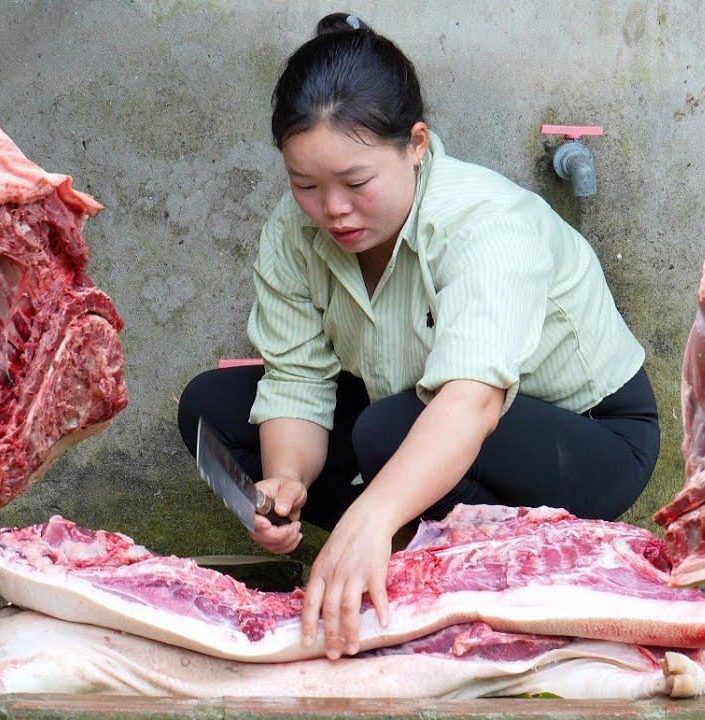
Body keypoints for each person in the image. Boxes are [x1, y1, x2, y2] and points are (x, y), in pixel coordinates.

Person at [177, 13, 659, 661]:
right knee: (212, 407)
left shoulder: (486, 223)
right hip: (409, 410)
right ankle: (417, 558)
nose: (332, 210)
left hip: (588, 438)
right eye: (306, 186)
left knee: (390, 431)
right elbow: (297, 380)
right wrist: (285, 481)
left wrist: (370, 516)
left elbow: (471, 401)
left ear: (416, 144)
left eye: (355, 183)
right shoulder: (294, 235)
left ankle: (468, 584)